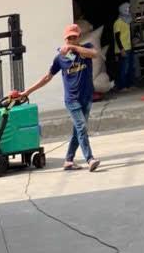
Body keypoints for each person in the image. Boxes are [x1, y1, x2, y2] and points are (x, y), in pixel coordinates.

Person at [15, 23, 100, 171]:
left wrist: (73, 48)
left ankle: (68, 160)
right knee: (81, 127)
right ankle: (90, 159)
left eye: (74, 37)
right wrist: (27, 92)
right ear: (65, 39)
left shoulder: (85, 49)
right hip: (72, 100)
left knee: (78, 130)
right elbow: (47, 77)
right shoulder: (61, 58)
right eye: (69, 38)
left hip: (86, 97)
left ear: (79, 37)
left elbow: (94, 54)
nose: (71, 40)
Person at [113, 3, 135, 92]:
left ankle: (129, 85)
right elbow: (117, 37)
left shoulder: (127, 21)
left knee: (130, 67)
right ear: (124, 10)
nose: (129, 10)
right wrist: (121, 49)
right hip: (122, 49)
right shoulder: (118, 22)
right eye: (128, 8)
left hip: (128, 47)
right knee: (124, 68)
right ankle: (122, 86)